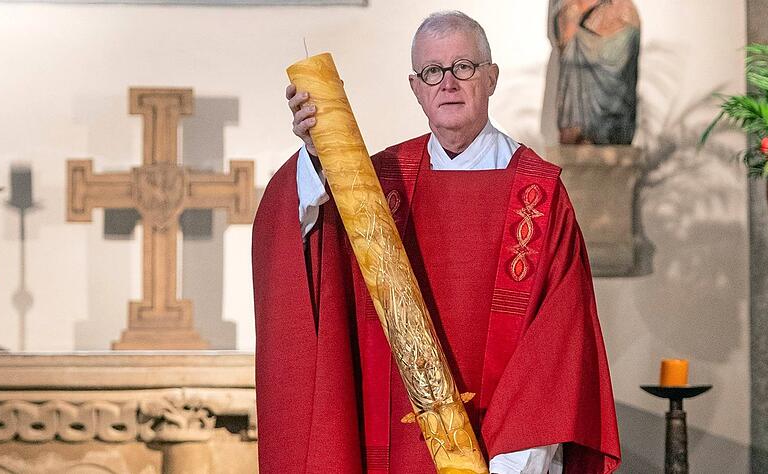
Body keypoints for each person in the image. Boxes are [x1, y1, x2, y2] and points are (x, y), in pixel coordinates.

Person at [252, 10, 620, 474]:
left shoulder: (539, 195)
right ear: (416, 87)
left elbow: (555, 349)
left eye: (463, 67)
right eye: (432, 71)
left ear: (491, 77)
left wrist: (511, 466)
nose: (448, 83)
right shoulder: (374, 184)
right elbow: (304, 253)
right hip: (387, 447)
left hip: (503, 455)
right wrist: (315, 155)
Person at [554, 0, 640, 145]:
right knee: (572, 50)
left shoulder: (624, 11)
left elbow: (629, 25)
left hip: (616, 33)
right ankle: (577, 128)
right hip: (583, 32)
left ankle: (613, 129)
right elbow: (566, 27)